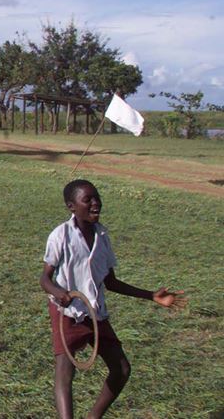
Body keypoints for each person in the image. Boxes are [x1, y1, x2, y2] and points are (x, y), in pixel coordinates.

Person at [40, 179, 187, 419]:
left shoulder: (103, 236)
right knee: (65, 374)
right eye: (87, 199)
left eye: (97, 197)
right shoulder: (61, 235)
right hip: (67, 312)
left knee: (121, 369)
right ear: (71, 206)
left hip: (95, 311)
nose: (95, 203)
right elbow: (45, 278)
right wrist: (59, 293)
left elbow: (111, 282)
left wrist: (151, 296)